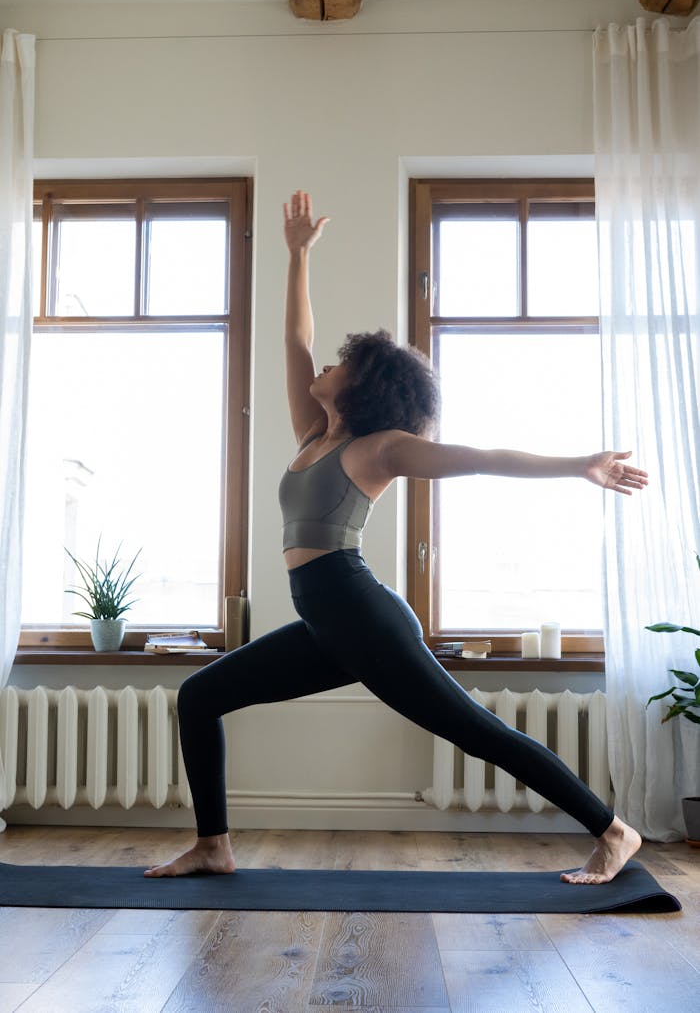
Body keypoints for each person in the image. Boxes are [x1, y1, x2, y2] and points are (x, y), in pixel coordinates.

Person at [145, 190, 646, 883]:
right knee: (200, 696)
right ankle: (213, 845)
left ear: (368, 386)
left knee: (476, 732)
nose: (326, 363)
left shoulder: (383, 449)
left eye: (343, 360)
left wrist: (579, 465)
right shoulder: (315, 433)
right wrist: (297, 256)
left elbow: (483, 457)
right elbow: (294, 341)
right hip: (327, 620)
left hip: (362, 615)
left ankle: (614, 830)